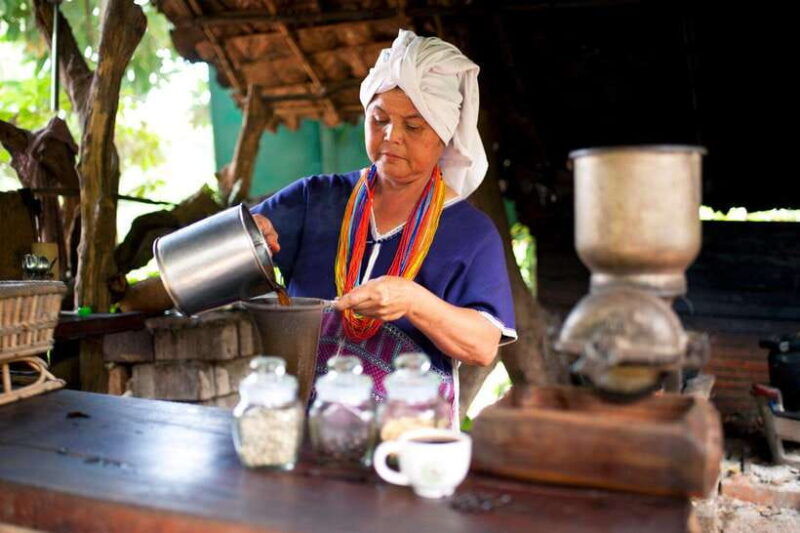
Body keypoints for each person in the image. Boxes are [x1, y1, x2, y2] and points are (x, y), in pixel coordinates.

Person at [252, 29, 516, 417]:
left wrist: (412, 300)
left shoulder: (470, 233)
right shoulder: (315, 199)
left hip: (406, 439)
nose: (391, 136)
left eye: (413, 127)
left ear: (444, 137)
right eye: (379, 119)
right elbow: (215, 267)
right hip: (304, 430)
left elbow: (481, 347)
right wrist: (248, 238)